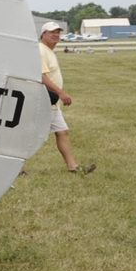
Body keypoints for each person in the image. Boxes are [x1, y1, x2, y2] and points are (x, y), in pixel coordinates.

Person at [39, 20, 95, 174]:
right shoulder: (41, 50)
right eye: (52, 32)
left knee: (62, 131)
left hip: (52, 102)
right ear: (44, 34)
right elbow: (42, 76)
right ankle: (17, 168)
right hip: (44, 100)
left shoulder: (48, 51)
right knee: (31, 135)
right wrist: (61, 93)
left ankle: (73, 167)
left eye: (58, 32)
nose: (56, 35)